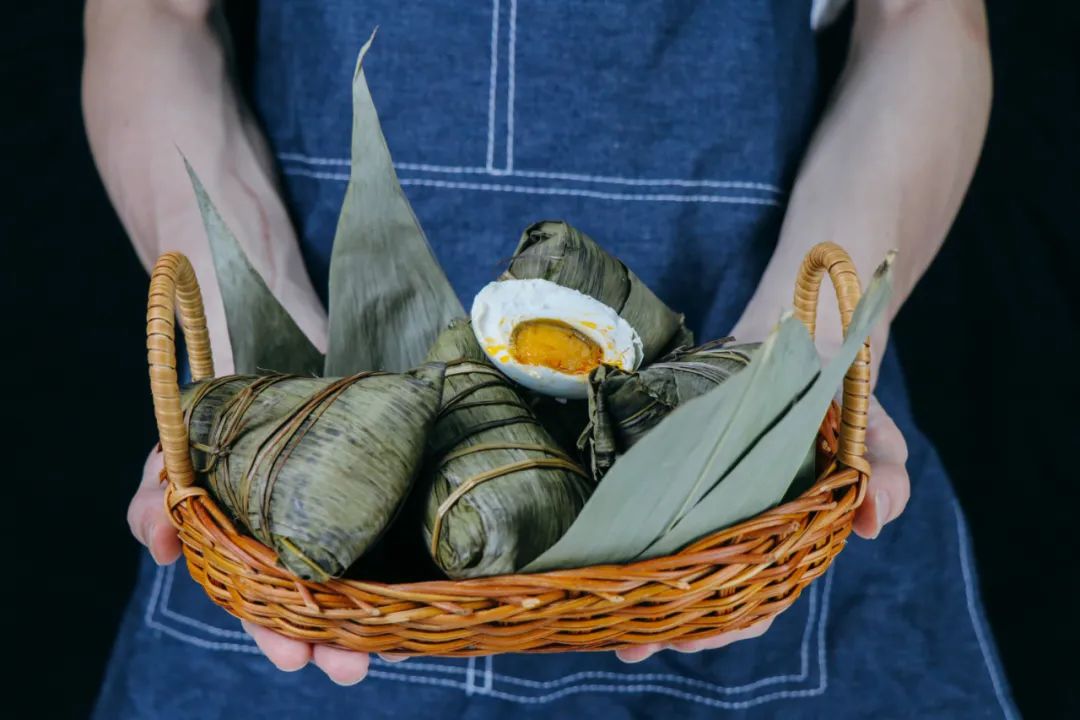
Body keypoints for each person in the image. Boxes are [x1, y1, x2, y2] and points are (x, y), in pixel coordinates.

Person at [84, 0, 1018, 717]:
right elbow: (151, 17)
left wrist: (785, 385)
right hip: (314, 572)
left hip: (750, 516)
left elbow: (923, 20)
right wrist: (279, 411)